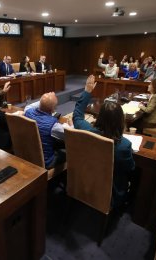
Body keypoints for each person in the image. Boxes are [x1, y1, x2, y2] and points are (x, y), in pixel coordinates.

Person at [73, 75, 135, 208]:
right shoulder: (124, 145)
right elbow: (131, 169)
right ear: (120, 121)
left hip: (85, 183)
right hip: (110, 193)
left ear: (99, 117)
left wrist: (87, 91)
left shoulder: (86, 130)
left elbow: (77, 114)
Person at [25, 92, 72, 168]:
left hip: (29, 153)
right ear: (53, 110)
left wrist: (45, 100)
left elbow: (30, 106)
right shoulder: (53, 125)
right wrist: (71, 124)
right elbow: (71, 135)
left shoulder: (28, 112)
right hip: (46, 161)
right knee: (69, 151)